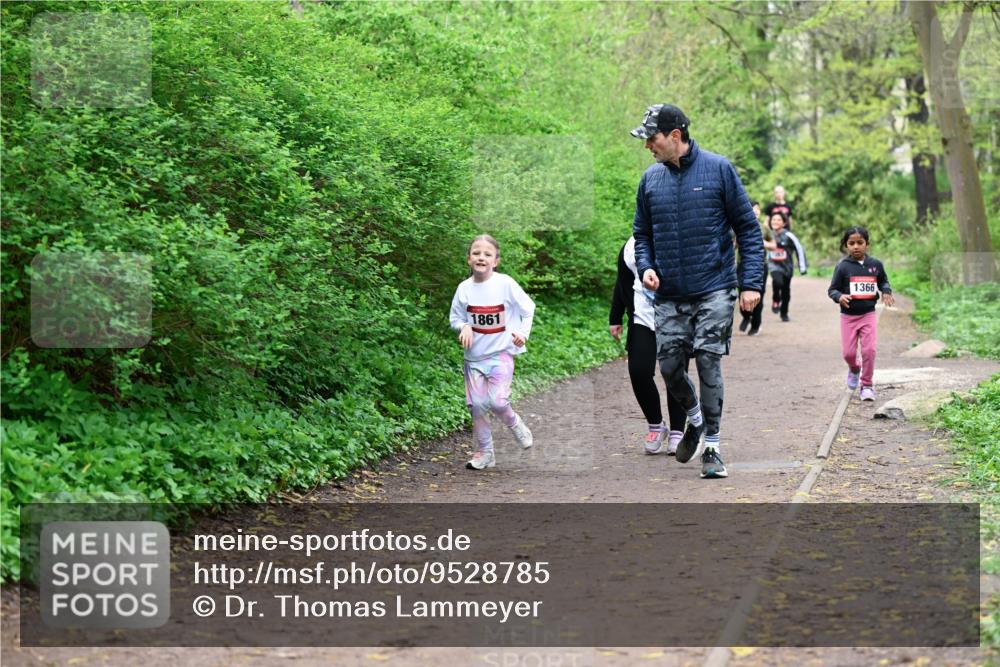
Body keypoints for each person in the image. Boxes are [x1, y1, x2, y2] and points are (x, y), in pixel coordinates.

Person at [630, 103, 765, 479]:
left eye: (652, 139)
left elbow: (749, 230)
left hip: (714, 287)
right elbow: (642, 235)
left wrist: (751, 282)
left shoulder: (719, 169)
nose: (647, 147)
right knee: (670, 368)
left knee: (707, 360)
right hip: (670, 292)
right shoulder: (650, 181)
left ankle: (713, 449)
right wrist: (647, 266)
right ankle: (695, 419)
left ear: (675, 136)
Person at [449, 235, 536, 470]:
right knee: (476, 406)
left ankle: (514, 422)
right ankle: (485, 453)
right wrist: (464, 326)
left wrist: (522, 334)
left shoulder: (505, 284)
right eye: (476, 253)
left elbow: (528, 309)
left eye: (487, 254)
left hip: (500, 354)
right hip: (474, 359)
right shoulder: (464, 289)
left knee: (497, 402)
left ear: (496, 261)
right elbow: (455, 317)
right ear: (469, 259)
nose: (481, 257)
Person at [610, 236, 687, 455]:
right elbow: (622, 281)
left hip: (676, 317)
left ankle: (678, 431)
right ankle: (656, 424)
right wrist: (615, 317)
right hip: (642, 317)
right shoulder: (631, 246)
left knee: (675, 373)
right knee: (638, 371)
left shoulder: (677, 237)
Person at [827, 226, 894, 401]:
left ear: (867, 244)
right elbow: (832, 290)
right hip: (848, 317)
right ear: (846, 245)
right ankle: (855, 369)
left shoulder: (875, 265)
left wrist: (886, 291)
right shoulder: (842, 267)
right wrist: (839, 296)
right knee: (848, 354)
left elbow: (883, 282)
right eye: (851, 243)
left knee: (869, 351)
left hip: (868, 315)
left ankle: (867, 385)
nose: (856, 246)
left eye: (860, 243)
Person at [737, 201, 777, 336]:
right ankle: (746, 316)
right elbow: (733, 245)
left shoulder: (764, 229)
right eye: (753, 209)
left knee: (759, 295)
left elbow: (774, 245)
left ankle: (755, 325)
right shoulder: (740, 226)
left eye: (758, 209)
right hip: (742, 265)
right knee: (741, 294)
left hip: (761, 265)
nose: (756, 211)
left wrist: (762, 242)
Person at [766, 211, 807, 322]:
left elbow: (799, 249)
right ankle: (775, 299)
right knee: (777, 281)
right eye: (773, 219)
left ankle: (784, 313)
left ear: (784, 223)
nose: (775, 221)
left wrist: (802, 267)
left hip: (787, 267)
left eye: (779, 220)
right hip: (773, 264)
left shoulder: (789, 235)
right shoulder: (768, 234)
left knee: (786, 291)